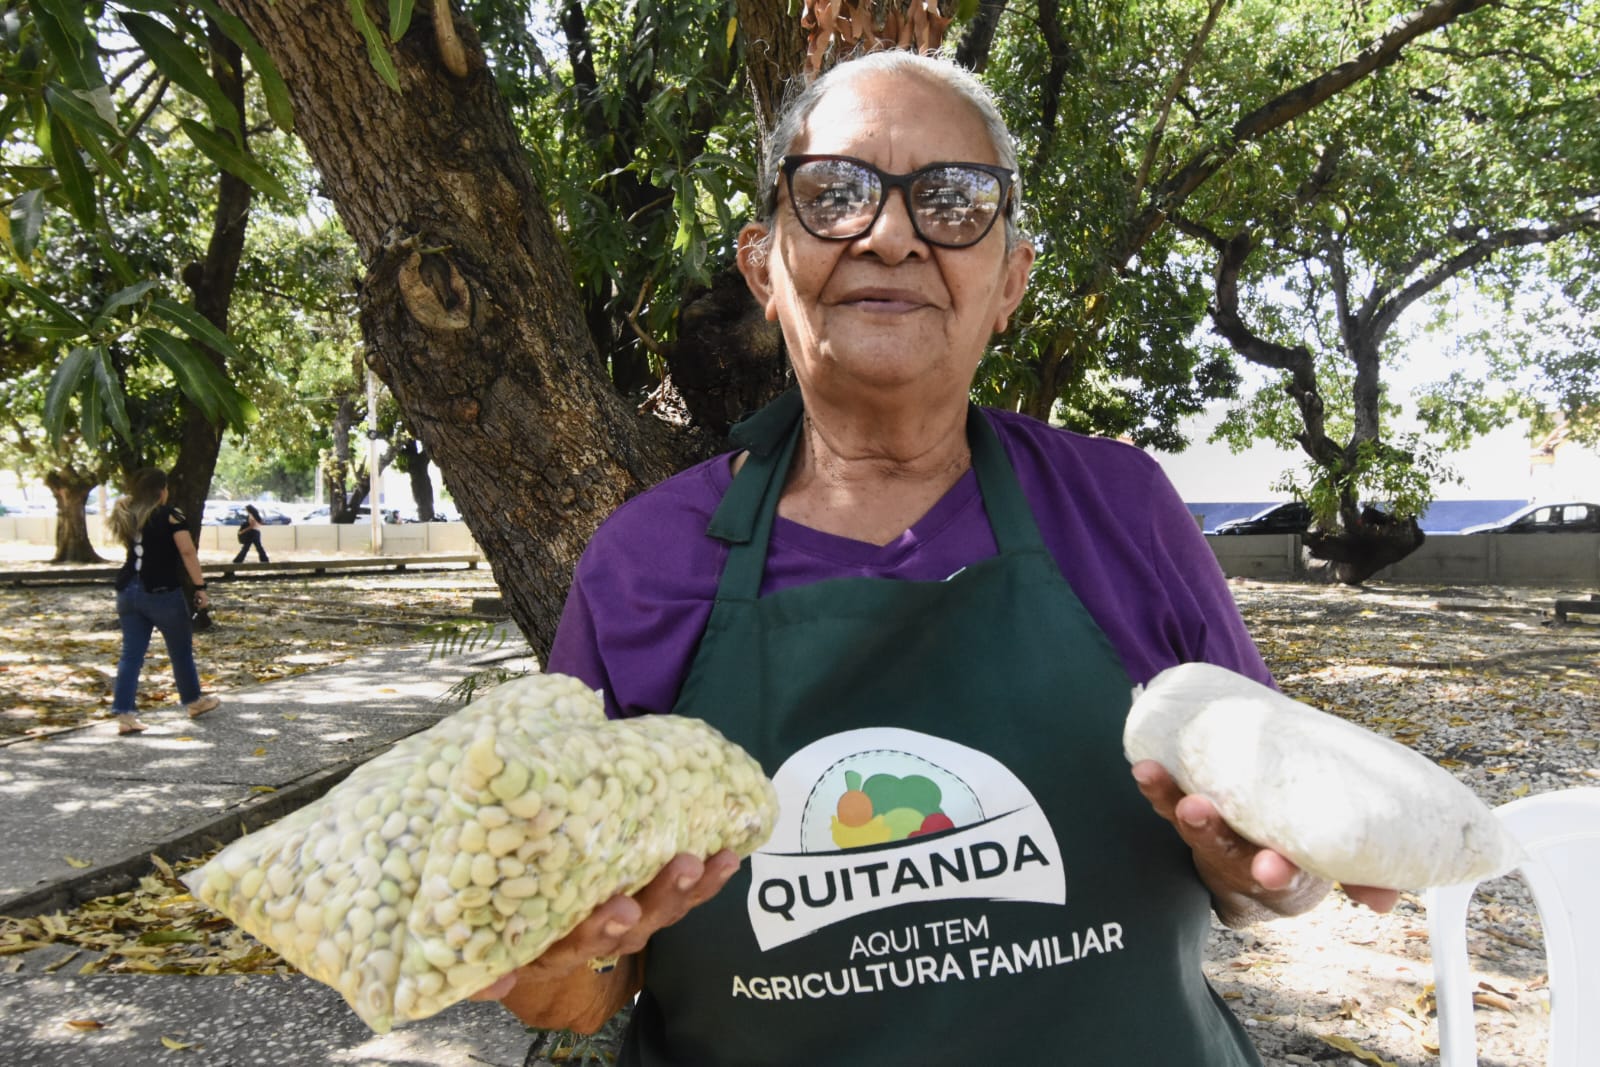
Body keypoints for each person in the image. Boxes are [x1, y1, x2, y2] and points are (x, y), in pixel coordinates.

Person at [473, 51, 1399, 1064]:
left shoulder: (1119, 509)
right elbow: (579, 982)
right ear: (762, 266)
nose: (890, 234)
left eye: (953, 201)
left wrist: (1279, 870)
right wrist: (555, 957)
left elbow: (1261, 874)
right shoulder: (644, 563)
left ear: (1010, 279)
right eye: (835, 195)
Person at [108, 468, 222, 733]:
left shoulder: (128, 515)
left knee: (131, 655)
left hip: (128, 591)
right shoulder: (171, 515)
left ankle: (125, 715)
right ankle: (194, 701)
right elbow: (187, 551)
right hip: (161, 592)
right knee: (180, 650)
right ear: (162, 491)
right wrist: (200, 587)